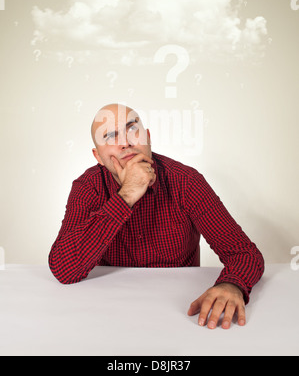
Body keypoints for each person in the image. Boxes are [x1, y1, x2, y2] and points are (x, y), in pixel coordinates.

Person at [49, 103, 264, 330]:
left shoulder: (185, 181)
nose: (125, 142)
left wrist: (232, 284)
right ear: (98, 157)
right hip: (107, 313)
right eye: (110, 136)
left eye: (132, 129)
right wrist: (127, 195)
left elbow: (244, 253)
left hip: (181, 315)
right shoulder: (88, 187)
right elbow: (64, 268)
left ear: (148, 137)